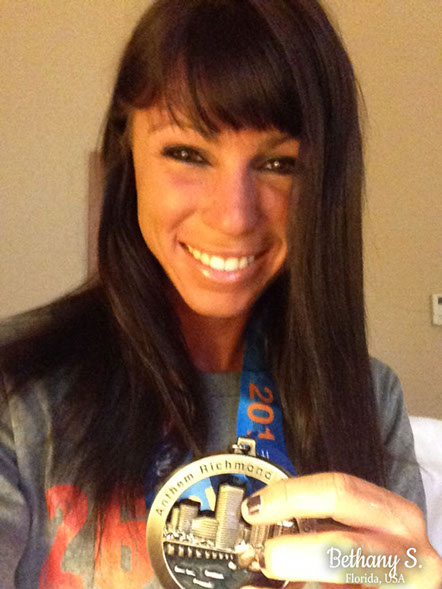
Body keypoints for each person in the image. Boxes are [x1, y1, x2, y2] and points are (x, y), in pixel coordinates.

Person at [1, 1, 440, 588]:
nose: (234, 217)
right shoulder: (17, 388)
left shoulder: (368, 398)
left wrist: (406, 577)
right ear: (126, 153)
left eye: (280, 163)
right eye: (187, 153)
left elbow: (391, 571)